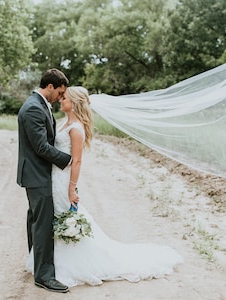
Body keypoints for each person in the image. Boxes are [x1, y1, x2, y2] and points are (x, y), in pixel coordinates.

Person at [26, 86, 183, 287]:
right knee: (55, 217)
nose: (61, 99)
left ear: (73, 102)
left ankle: (71, 265)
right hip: (53, 178)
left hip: (64, 181)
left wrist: (72, 188)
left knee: (65, 216)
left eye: (64, 97)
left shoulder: (76, 129)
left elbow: (77, 162)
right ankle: (52, 263)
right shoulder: (65, 122)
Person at [17, 69, 76, 293]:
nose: (60, 97)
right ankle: (44, 276)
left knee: (36, 219)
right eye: (60, 92)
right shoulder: (33, 108)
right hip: (36, 173)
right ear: (50, 86)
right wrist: (68, 159)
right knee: (42, 224)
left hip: (38, 173)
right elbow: (41, 147)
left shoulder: (39, 104)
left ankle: (35, 263)